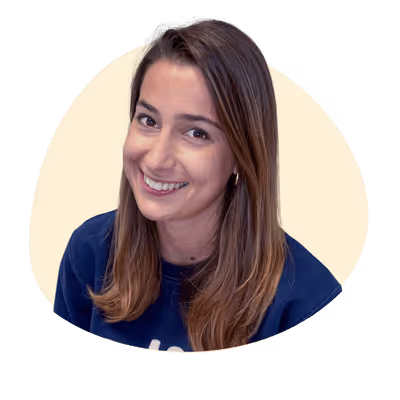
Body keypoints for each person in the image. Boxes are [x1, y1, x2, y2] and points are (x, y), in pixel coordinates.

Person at [54, 17, 342, 352]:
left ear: (242, 154)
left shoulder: (306, 304)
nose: (157, 159)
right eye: (148, 120)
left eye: (196, 133)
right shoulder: (90, 254)